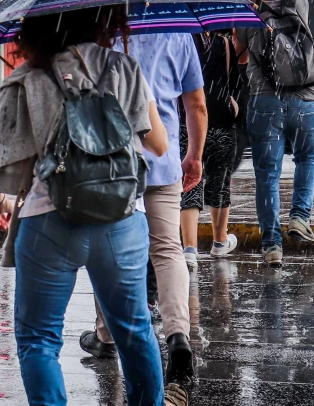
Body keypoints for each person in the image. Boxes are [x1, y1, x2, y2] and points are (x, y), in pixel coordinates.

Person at [0, 5, 185, 406]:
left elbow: (2, 163)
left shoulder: (28, 79)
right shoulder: (123, 67)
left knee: (39, 340)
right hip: (122, 222)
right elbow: (158, 144)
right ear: (101, 20)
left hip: (50, 221)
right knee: (134, 329)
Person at [79, 32, 207, 397]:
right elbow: (195, 103)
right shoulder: (178, 34)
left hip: (116, 163)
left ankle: (106, 336)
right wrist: (195, 155)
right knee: (167, 249)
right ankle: (177, 335)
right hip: (163, 159)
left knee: (111, 251)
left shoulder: (104, 34)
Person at [237, 0, 314, 266]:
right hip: (307, 99)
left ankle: (272, 246)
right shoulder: (300, 3)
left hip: (265, 101)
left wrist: (240, 4)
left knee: (267, 175)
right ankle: (300, 216)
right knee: (308, 158)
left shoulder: (248, 12)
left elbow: (238, 55)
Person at [179, 31, 246, 269]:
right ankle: (219, 241)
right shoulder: (225, 44)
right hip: (221, 121)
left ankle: (189, 248)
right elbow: (236, 82)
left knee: (189, 183)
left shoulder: (182, 41)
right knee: (220, 182)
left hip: (189, 122)